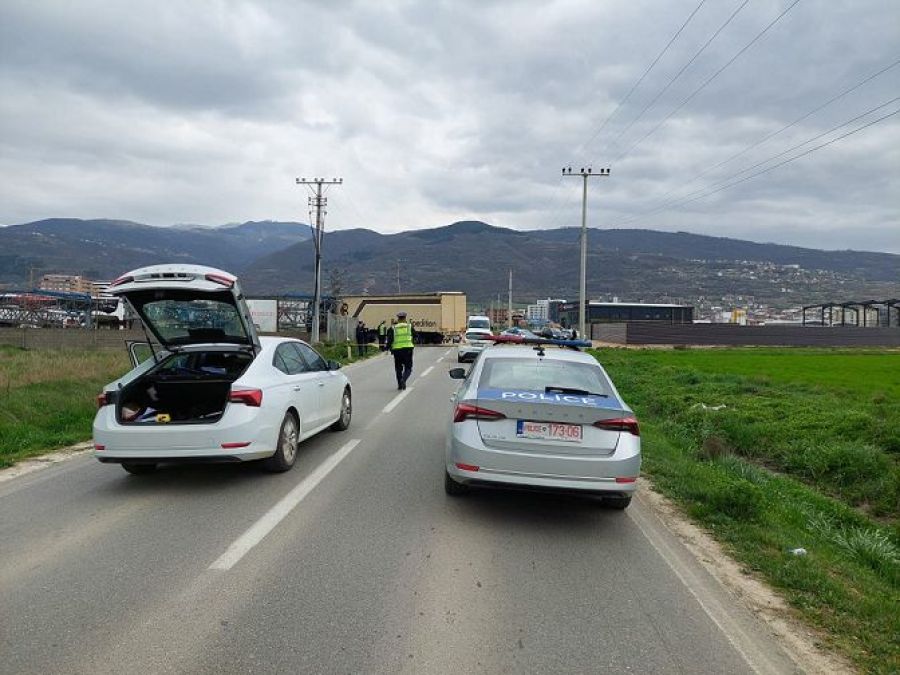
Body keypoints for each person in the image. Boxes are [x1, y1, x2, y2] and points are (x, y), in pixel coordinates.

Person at [386, 311, 415, 390]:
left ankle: (399, 384)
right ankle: (404, 379)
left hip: (397, 350)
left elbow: (390, 340)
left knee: (398, 368)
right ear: (405, 318)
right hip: (408, 350)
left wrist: (387, 348)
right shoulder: (409, 327)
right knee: (408, 368)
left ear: (398, 318)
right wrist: (412, 343)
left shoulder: (393, 328)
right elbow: (415, 336)